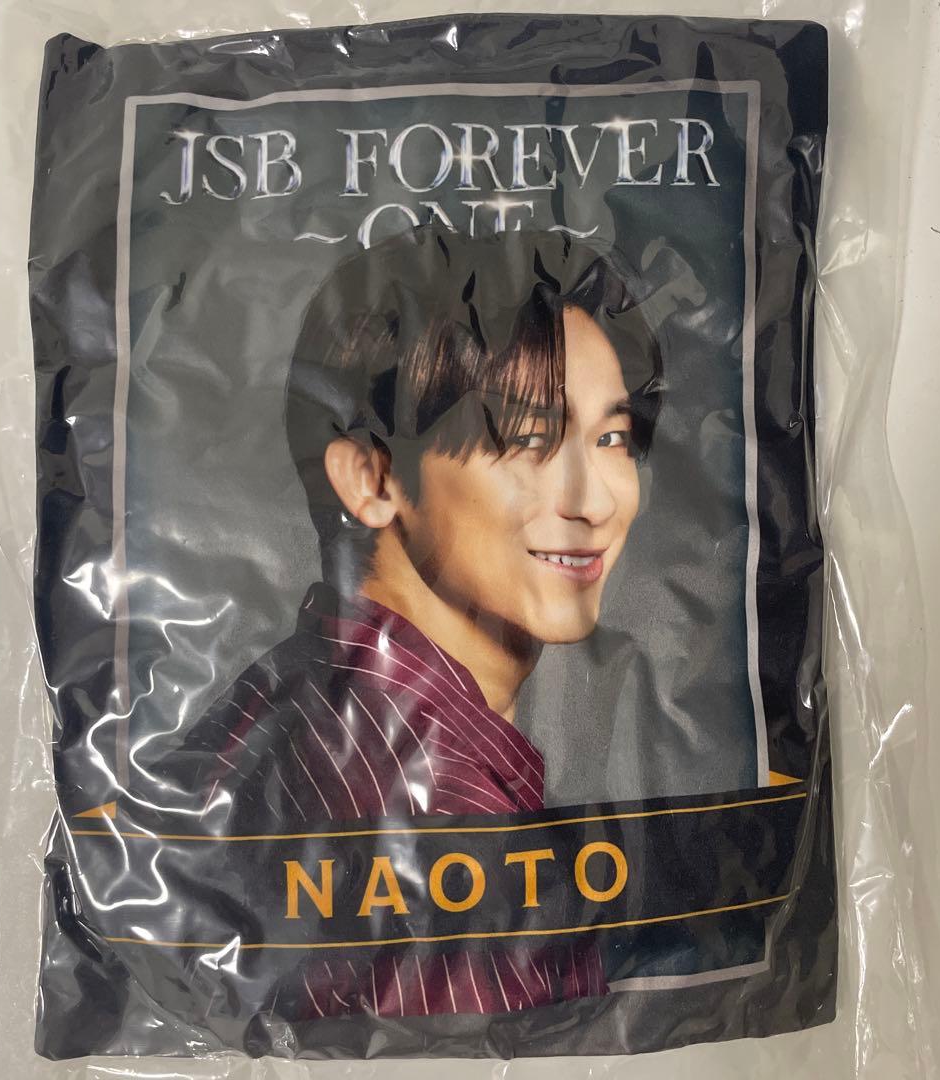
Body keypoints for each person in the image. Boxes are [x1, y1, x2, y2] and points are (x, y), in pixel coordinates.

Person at [187, 225, 662, 1018]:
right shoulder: (445, 827)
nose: (593, 501)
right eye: (527, 438)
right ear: (373, 480)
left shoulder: (288, 698)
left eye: (612, 438)